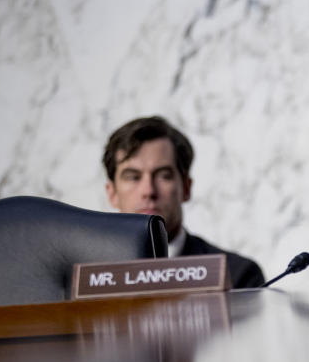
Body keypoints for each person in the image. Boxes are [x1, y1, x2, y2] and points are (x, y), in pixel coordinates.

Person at [103, 116, 265, 288]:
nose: (148, 191)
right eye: (133, 177)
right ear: (112, 193)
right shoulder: (80, 278)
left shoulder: (238, 275)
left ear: (186, 188)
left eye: (164, 176)